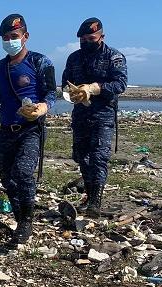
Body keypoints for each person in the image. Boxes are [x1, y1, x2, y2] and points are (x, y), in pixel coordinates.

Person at [0, 13, 56, 245]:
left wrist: (42, 107)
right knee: (7, 178)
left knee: (22, 172)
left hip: (31, 128)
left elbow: (52, 92)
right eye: (5, 37)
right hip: (6, 129)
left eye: (14, 36)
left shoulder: (40, 62)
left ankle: (26, 222)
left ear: (25, 36)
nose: (10, 40)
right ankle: (20, 216)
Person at [61, 17, 127, 217]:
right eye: (83, 39)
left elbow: (120, 84)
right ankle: (89, 195)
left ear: (101, 36)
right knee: (82, 156)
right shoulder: (74, 58)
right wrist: (72, 92)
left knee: (99, 156)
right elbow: (65, 81)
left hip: (103, 113)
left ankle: (95, 201)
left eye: (91, 38)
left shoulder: (114, 56)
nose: (86, 42)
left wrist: (95, 88)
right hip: (81, 112)